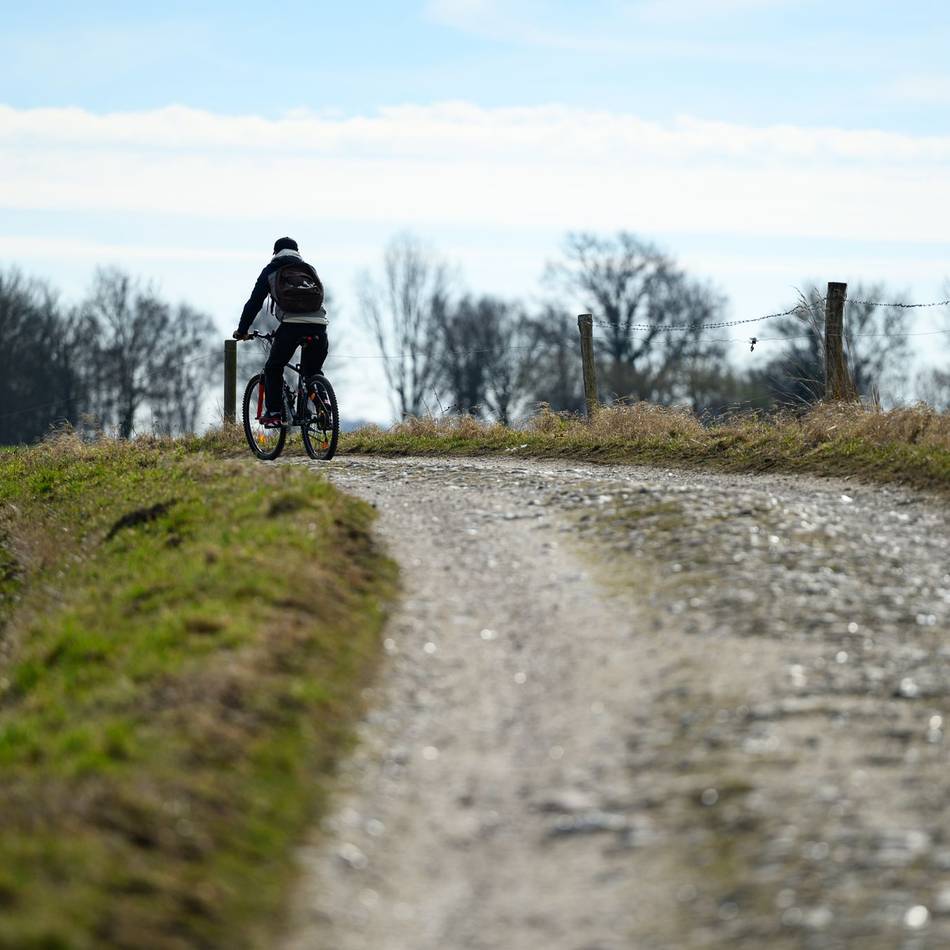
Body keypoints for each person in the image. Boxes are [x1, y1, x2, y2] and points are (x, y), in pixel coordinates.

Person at [233, 237, 328, 427]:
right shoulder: (308, 269)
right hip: (319, 325)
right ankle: (324, 405)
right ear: (297, 252)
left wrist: (242, 330)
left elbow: (254, 303)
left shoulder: (271, 270)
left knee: (273, 367)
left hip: (291, 326)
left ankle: (275, 413)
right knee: (312, 372)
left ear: (275, 253)